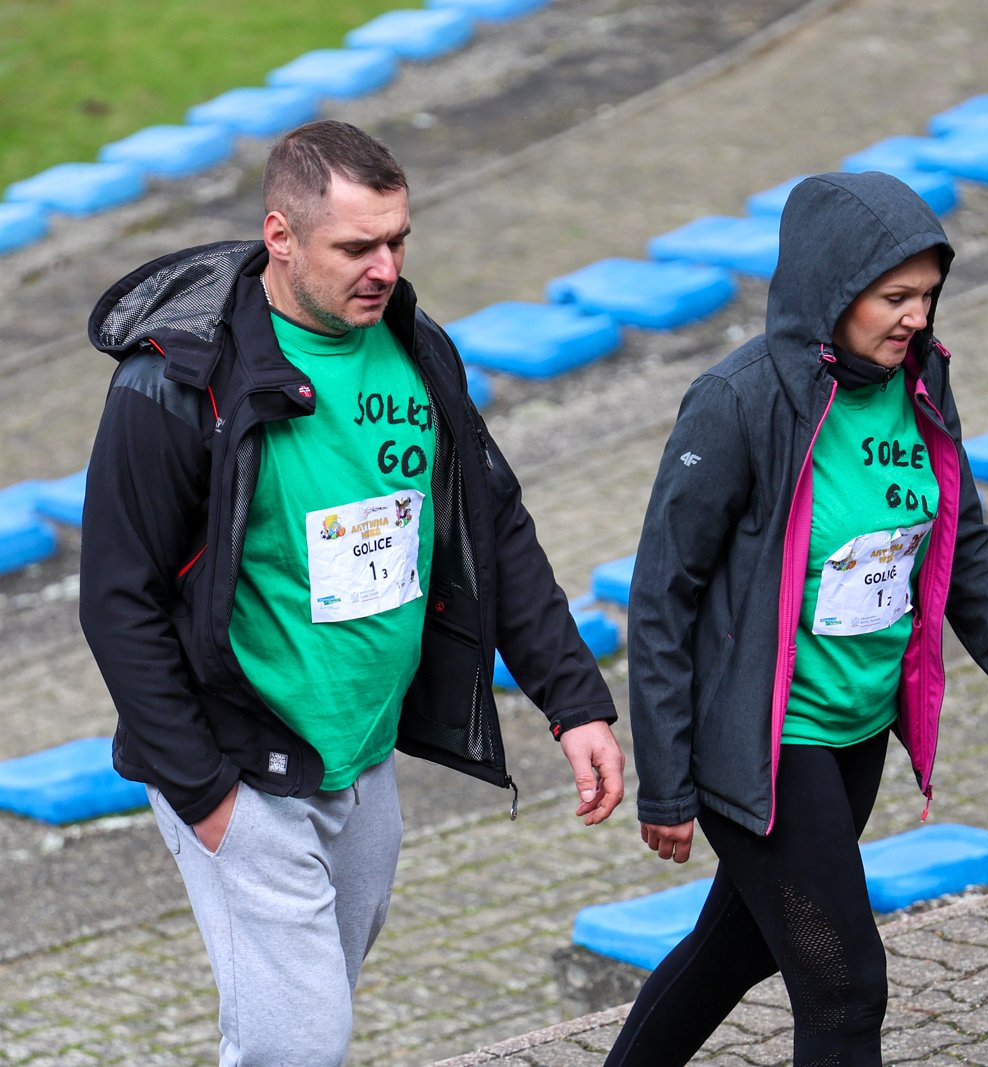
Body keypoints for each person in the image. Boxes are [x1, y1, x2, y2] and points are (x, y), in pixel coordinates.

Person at [78, 120, 624, 1067]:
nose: (386, 269)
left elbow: (491, 526)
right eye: (357, 246)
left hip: (366, 761)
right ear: (280, 237)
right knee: (301, 1041)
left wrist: (573, 700)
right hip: (242, 766)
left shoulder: (416, 347)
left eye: (398, 241)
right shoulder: (176, 381)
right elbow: (117, 600)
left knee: (301, 1017)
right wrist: (206, 794)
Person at [612, 170, 988, 1066]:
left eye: (927, 296)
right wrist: (666, 778)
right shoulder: (740, 401)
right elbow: (663, 594)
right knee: (844, 985)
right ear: (834, 289)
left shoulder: (921, 381)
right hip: (765, 740)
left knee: (735, 947)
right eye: (894, 297)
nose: (915, 318)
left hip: (856, 729)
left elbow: (964, 543)